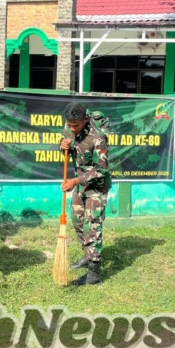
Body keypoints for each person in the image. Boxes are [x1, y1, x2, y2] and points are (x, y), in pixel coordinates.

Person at [60, 102, 111, 286]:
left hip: (96, 187)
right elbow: (67, 148)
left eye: (76, 126)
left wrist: (75, 181)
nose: (71, 129)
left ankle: (94, 272)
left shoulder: (98, 138)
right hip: (80, 186)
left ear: (86, 120)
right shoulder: (70, 126)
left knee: (92, 226)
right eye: (69, 125)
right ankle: (88, 254)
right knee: (77, 221)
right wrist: (63, 145)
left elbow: (101, 170)